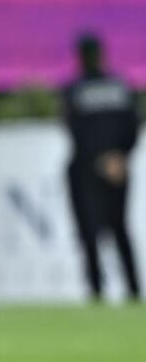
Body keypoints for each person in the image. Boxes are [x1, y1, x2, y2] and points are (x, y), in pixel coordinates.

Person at [62, 33, 141, 303]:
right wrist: (119, 157)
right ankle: (131, 290)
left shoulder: (75, 89)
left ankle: (99, 291)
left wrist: (102, 159)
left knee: (93, 231)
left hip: (88, 170)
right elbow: (133, 124)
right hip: (117, 167)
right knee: (117, 229)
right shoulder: (120, 86)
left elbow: (75, 130)